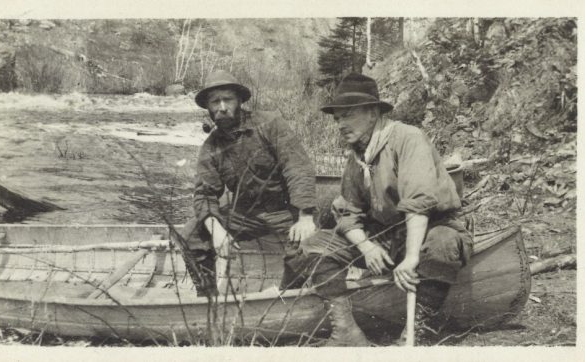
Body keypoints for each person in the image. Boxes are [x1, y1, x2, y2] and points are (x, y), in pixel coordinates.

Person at [299, 73, 473, 346]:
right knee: (314, 245)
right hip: (386, 235)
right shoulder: (358, 154)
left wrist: (412, 257)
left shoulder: (407, 138)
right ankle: (347, 332)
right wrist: (367, 247)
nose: (341, 124)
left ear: (372, 112)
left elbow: (418, 202)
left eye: (348, 115)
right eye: (337, 119)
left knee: (442, 244)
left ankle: (418, 332)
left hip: (429, 229)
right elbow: (347, 211)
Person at [180, 70, 317, 297]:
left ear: (240, 101)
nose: (222, 107)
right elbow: (204, 194)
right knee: (190, 236)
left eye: (228, 100)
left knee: (307, 247)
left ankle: (285, 296)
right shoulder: (211, 147)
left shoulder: (270, 124)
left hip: (284, 211)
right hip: (244, 216)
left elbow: (297, 167)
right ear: (208, 108)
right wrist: (216, 231)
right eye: (215, 102)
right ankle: (208, 299)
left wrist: (305, 216)